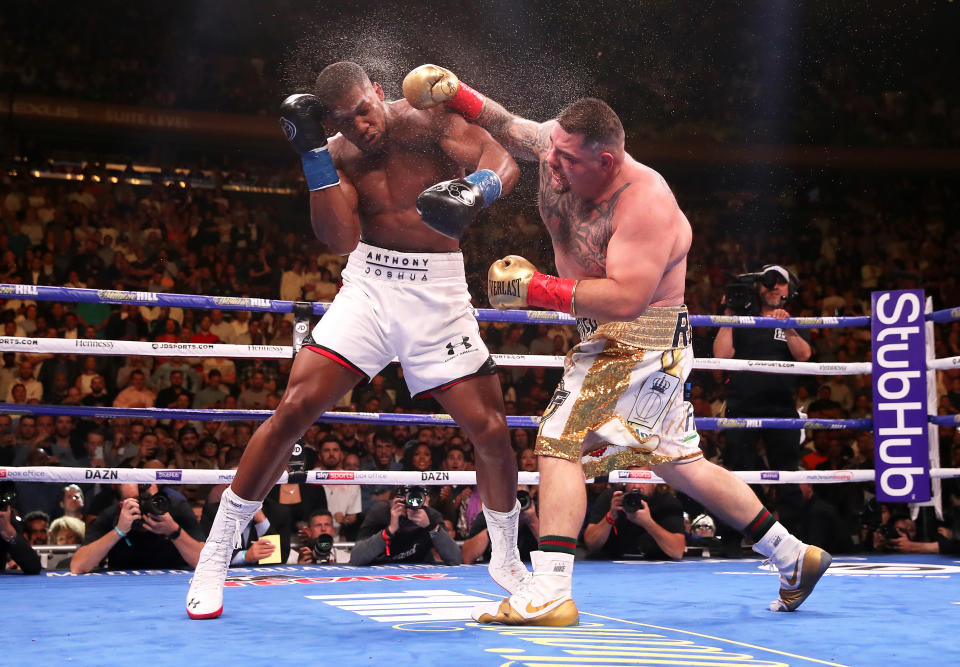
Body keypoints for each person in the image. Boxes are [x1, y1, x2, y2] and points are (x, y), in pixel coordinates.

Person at [404, 65, 831, 625]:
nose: (551, 165)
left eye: (566, 159)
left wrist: (536, 288)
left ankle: (551, 590)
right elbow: (510, 126)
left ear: (604, 161)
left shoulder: (644, 202)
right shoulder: (560, 147)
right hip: (618, 338)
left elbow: (628, 298)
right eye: (552, 150)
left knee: (560, 437)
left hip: (640, 339)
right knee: (679, 461)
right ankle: (793, 555)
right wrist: (456, 93)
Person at [187, 61, 524, 619]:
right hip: (370, 285)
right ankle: (216, 554)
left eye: (365, 111)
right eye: (346, 120)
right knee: (294, 407)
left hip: (437, 292)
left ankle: (507, 558)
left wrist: (476, 189)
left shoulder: (427, 119)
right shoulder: (337, 154)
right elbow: (339, 237)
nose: (361, 126)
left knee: (490, 429)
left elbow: (503, 158)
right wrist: (314, 155)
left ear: (379, 92)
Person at [72, 483, 204, 573]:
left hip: (174, 579)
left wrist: (173, 531)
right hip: (122, 585)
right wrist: (119, 530)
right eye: (136, 500)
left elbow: (205, 562)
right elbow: (78, 566)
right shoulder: (112, 515)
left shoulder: (175, 509)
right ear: (121, 502)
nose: (144, 506)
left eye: (151, 499)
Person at [583, 476, 686, 561]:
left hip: (654, 568)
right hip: (611, 564)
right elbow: (591, 544)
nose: (636, 486)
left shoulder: (667, 502)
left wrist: (648, 523)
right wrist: (610, 516)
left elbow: (677, 552)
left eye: (644, 481)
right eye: (631, 480)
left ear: (654, 483)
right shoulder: (612, 498)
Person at [349, 487, 460, 566]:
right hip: (380, 573)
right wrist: (389, 530)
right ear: (397, 500)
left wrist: (431, 527)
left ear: (427, 501)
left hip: (419, 574)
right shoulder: (381, 512)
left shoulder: (431, 516)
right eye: (410, 500)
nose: (414, 505)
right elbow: (356, 558)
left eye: (419, 500)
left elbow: (455, 559)